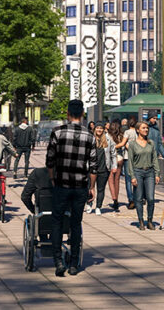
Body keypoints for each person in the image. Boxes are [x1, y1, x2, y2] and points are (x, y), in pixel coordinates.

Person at [45, 99, 98, 276]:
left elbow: (50, 160)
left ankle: (58, 261)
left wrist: (52, 178)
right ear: (82, 114)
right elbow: (93, 165)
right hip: (80, 186)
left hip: (61, 184)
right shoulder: (89, 136)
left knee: (57, 221)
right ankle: (74, 263)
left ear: (68, 113)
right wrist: (91, 187)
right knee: (76, 223)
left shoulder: (57, 133)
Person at [128, 120, 158, 230]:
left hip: (149, 172)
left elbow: (154, 158)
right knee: (139, 198)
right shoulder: (132, 144)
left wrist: (157, 173)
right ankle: (141, 220)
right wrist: (132, 176)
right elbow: (130, 161)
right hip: (138, 172)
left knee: (150, 198)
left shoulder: (151, 143)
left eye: (147, 128)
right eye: (143, 128)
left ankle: (150, 220)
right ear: (137, 130)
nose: (146, 130)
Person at [89, 125, 113, 214]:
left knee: (101, 189)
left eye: (101, 128)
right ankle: (89, 203)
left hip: (103, 168)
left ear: (103, 130)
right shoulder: (90, 139)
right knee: (90, 187)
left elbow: (113, 153)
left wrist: (113, 166)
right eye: (97, 128)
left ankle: (98, 207)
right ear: (95, 129)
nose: (99, 130)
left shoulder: (108, 140)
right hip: (91, 168)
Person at [107, 120, 126, 211]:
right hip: (120, 158)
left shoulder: (108, 136)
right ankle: (117, 198)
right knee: (117, 180)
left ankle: (114, 199)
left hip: (111, 159)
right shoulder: (121, 136)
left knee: (111, 180)